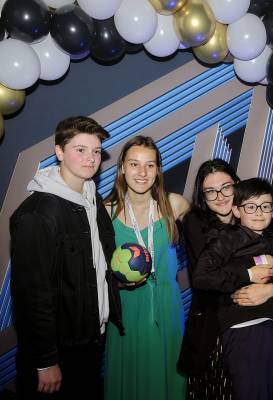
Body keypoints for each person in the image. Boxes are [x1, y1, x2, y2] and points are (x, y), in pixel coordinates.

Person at [10, 116, 123, 399]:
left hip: (92, 339)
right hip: (59, 352)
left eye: (96, 151)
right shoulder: (37, 214)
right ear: (59, 152)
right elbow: (31, 295)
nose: (91, 158)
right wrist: (45, 361)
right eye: (80, 149)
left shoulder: (92, 198)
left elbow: (97, 264)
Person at [177, 160, 273, 400]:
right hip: (214, 327)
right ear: (202, 196)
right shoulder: (195, 222)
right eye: (210, 191)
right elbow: (205, 277)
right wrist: (256, 268)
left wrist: (272, 288)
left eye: (226, 187)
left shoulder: (254, 213)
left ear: (237, 184)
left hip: (259, 324)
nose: (220, 196)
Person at [193, 177, 273, 400]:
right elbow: (202, 277)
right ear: (236, 210)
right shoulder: (225, 239)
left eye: (265, 206)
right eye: (250, 207)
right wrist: (248, 274)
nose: (259, 212)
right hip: (244, 329)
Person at [104, 135, 190, 400]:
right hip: (126, 309)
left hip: (166, 305)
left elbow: (210, 239)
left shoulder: (175, 204)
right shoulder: (106, 212)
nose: (142, 172)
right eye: (134, 164)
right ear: (122, 168)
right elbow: (92, 271)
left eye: (150, 165)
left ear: (158, 170)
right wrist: (115, 283)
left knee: (167, 381)